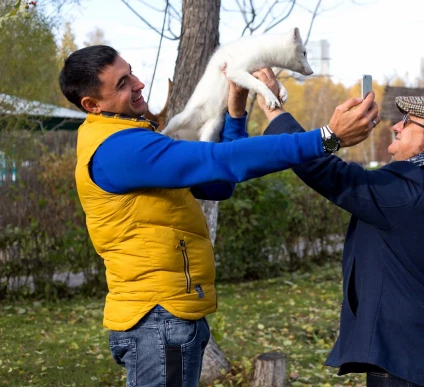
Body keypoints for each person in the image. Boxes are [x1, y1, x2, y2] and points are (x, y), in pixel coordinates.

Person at [58, 45, 379, 387]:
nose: (138, 83)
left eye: (132, 72)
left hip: (167, 314)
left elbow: (219, 184)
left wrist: (235, 113)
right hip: (157, 316)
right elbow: (221, 161)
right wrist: (326, 139)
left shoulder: (128, 139)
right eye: (122, 83)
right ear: (92, 105)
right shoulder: (120, 149)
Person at [254, 69, 424, 387]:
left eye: (409, 122)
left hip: (404, 361)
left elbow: (331, 175)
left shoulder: (411, 189)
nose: (396, 126)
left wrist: (274, 111)